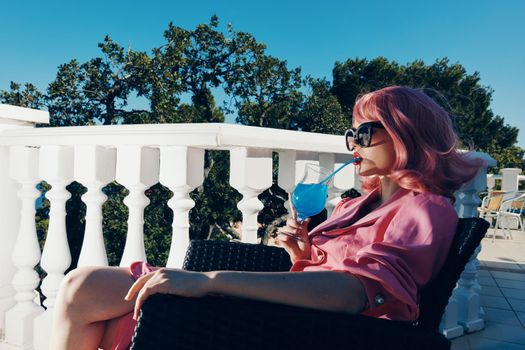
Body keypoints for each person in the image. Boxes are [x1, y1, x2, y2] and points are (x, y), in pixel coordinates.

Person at [50, 86, 484, 350]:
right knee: (101, 306)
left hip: (314, 332)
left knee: (85, 287)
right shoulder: (357, 204)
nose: (354, 143)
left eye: (366, 132)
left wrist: (209, 281)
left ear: (408, 134)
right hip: (292, 314)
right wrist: (304, 253)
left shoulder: (423, 208)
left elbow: (359, 294)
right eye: (352, 133)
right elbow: (337, 272)